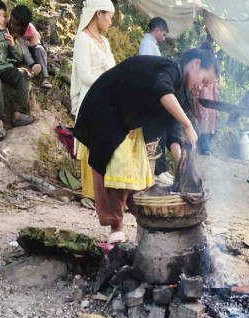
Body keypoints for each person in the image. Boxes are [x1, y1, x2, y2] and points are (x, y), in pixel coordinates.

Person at [73, 49, 218, 243]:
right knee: (119, 168)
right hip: (106, 108)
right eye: (204, 80)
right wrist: (189, 124)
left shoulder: (181, 93)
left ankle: (146, 225)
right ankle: (116, 226)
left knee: (140, 176)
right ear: (195, 64)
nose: (201, 87)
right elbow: (162, 89)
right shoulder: (171, 68)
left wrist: (184, 166)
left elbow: (173, 132)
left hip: (127, 119)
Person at [70, 0, 116, 201]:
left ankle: (108, 194)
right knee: (92, 146)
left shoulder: (104, 42)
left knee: (107, 145)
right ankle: (91, 194)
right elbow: (85, 75)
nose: (111, 22)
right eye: (110, 17)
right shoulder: (82, 39)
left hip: (107, 100)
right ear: (98, 13)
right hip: (91, 100)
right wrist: (108, 80)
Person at [138, 17, 178, 185]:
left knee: (162, 132)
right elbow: (149, 70)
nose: (163, 38)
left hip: (155, 95)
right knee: (156, 134)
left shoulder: (152, 44)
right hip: (151, 95)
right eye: (164, 34)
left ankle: (161, 169)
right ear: (158, 29)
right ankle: (157, 171)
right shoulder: (147, 44)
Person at [0, 0, 33, 141]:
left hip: (4, 68)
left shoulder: (5, 32)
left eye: (4, 15)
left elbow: (19, 58)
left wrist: (13, 45)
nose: (3, 19)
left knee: (20, 76)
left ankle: (18, 114)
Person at [9, 5, 51, 88]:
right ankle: (30, 66)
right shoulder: (8, 24)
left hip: (33, 50)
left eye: (16, 25)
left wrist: (21, 39)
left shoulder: (31, 30)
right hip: (19, 53)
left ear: (24, 27)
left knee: (39, 49)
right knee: (20, 40)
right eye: (11, 22)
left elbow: (36, 45)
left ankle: (45, 78)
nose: (12, 26)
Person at [193, 77, 218, 156]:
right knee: (203, 129)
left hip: (212, 109)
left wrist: (217, 109)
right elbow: (194, 96)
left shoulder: (213, 79)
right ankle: (205, 149)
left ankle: (207, 147)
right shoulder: (199, 78)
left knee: (211, 129)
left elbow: (215, 94)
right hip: (202, 108)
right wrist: (196, 108)